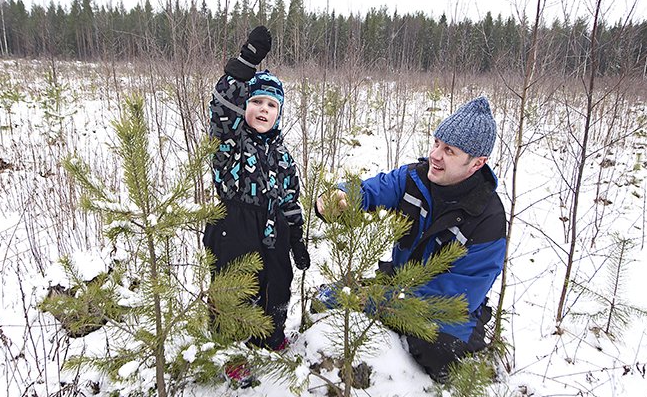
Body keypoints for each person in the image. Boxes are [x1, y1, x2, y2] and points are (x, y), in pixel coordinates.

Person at [315, 96, 506, 381]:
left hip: (448, 309)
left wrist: (378, 301)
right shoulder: (414, 179)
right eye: (437, 143)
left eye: (449, 151)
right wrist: (339, 197)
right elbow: (371, 190)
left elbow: (457, 297)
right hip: (397, 282)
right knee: (324, 302)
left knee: (436, 351)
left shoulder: (488, 218)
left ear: (477, 163)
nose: (435, 155)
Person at [204, 25, 310, 355]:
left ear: (279, 114)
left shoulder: (283, 155)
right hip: (234, 227)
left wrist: (295, 236)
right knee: (232, 291)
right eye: (257, 102)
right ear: (245, 106)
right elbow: (223, 109)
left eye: (272, 105)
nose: (264, 109)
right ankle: (231, 351)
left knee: (278, 286)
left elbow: (290, 197)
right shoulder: (230, 144)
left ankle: (271, 338)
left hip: (274, 230)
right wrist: (245, 63)